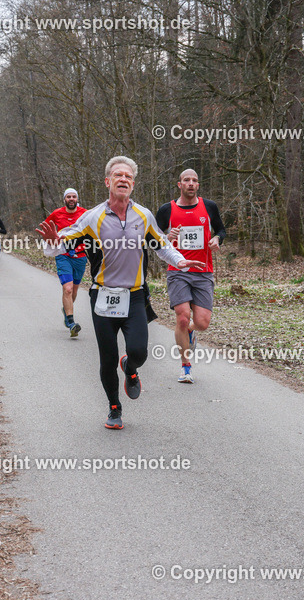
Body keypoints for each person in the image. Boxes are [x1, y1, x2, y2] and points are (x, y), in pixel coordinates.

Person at [36, 156, 204, 429]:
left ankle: (131, 367)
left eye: (128, 176)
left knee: (138, 351)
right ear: (108, 182)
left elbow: (161, 245)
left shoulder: (144, 215)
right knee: (107, 357)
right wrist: (54, 243)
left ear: (133, 184)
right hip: (102, 297)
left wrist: (180, 261)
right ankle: (114, 407)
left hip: (135, 295)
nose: (123, 179)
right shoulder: (93, 217)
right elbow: (63, 242)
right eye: (118, 175)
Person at [156, 169, 226, 383]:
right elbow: (154, 239)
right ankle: (186, 367)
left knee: (202, 323)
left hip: (204, 271)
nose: (191, 184)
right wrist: (167, 236)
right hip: (178, 270)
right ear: (179, 184)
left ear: (198, 185)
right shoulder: (167, 209)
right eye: (187, 180)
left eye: (195, 180)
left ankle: (190, 333)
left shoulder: (209, 206)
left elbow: (221, 231)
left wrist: (217, 240)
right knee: (183, 316)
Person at [42, 188, 88, 338]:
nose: (71, 199)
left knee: (74, 291)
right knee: (67, 289)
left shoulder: (85, 213)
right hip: (63, 254)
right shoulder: (56, 213)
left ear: (77, 198)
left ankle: (66, 310)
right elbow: (46, 230)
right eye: (68, 197)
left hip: (80, 256)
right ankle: (71, 323)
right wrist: (49, 240)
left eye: (74, 196)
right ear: (64, 199)